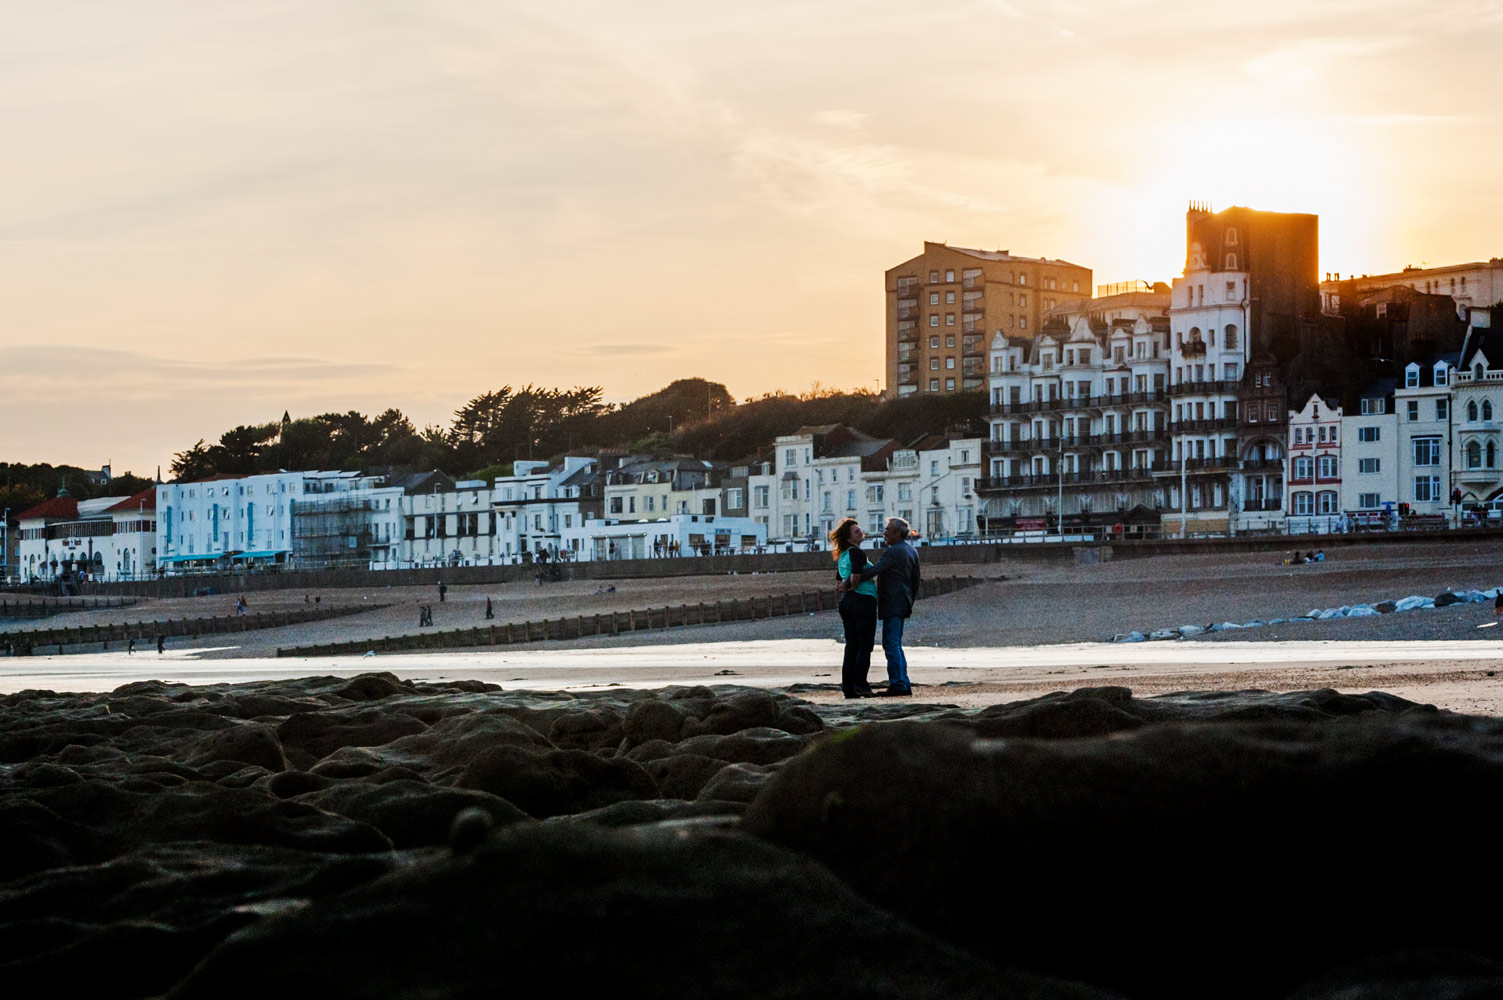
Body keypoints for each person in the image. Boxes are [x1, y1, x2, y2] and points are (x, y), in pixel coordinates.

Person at [844, 517, 921, 696]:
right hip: (902, 601)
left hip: (893, 603)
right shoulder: (911, 550)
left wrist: (848, 581)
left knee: (891, 644)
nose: (884, 533)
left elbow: (874, 570)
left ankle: (899, 685)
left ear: (897, 533)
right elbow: (916, 580)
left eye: (887, 530)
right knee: (896, 643)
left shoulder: (893, 551)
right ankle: (902, 682)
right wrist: (910, 600)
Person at [829, 517, 877, 699]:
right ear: (849, 539)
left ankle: (848, 687)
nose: (860, 532)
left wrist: (844, 587)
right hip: (862, 600)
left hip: (847, 603)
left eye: (860, 530)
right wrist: (852, 585)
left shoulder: (842, 556)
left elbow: (839, 578)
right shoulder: (857, 553)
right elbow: (856, 575)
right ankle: (861, 684)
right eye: (856, 532)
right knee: (865, 645)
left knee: (851, 646)